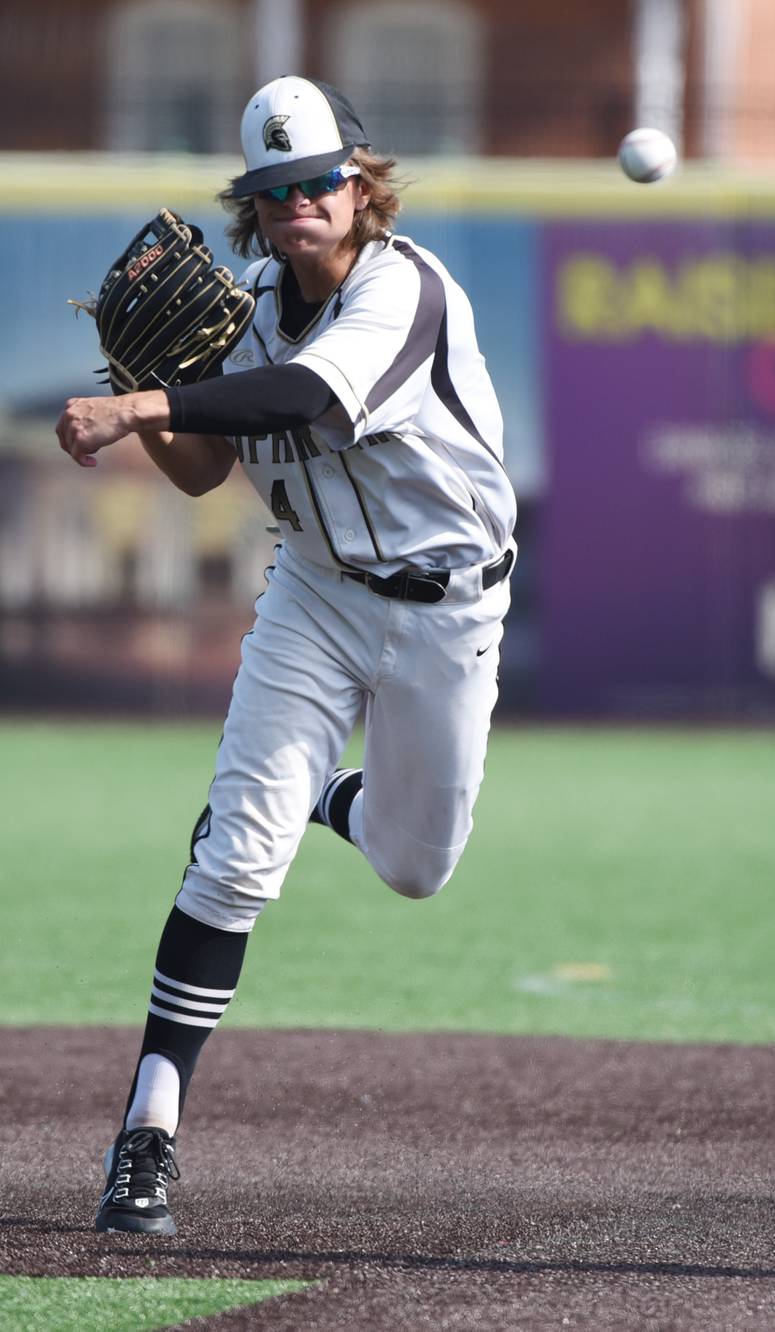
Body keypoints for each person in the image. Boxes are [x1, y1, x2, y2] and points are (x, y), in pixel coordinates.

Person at [56, 75, 517, 1235]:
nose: (298, 201)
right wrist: (144, 395)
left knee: (417, 866)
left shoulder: (406, 291)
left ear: (359, 188)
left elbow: (307, 397)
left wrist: (142, 403)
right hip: (312, 593)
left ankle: (312, 787)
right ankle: (144, 1140)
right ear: (254, 208)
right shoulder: (247, 303)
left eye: (318, 181)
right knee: (232, 866)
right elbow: (208, 472)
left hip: (445, 609)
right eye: (274, 190)